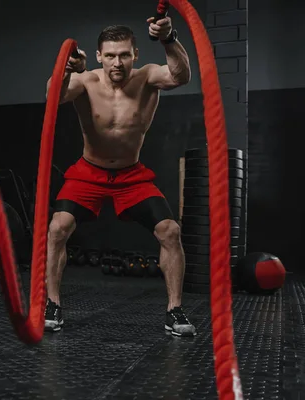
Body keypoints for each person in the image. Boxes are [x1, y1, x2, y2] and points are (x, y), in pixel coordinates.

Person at [44, 17, 197, 337]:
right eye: (111, 55)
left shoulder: (148, 77)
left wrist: (169, 38)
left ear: (135, 54)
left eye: (124, 54)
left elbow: (181, 76)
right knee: (58, 227)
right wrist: (71, 69)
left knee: (170, 231)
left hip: (131, 174)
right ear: (99, 56)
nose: (118, 61)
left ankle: (174, 310)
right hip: (89, 171)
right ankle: (53, 304)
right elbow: (53, 97)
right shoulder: (85, 81)